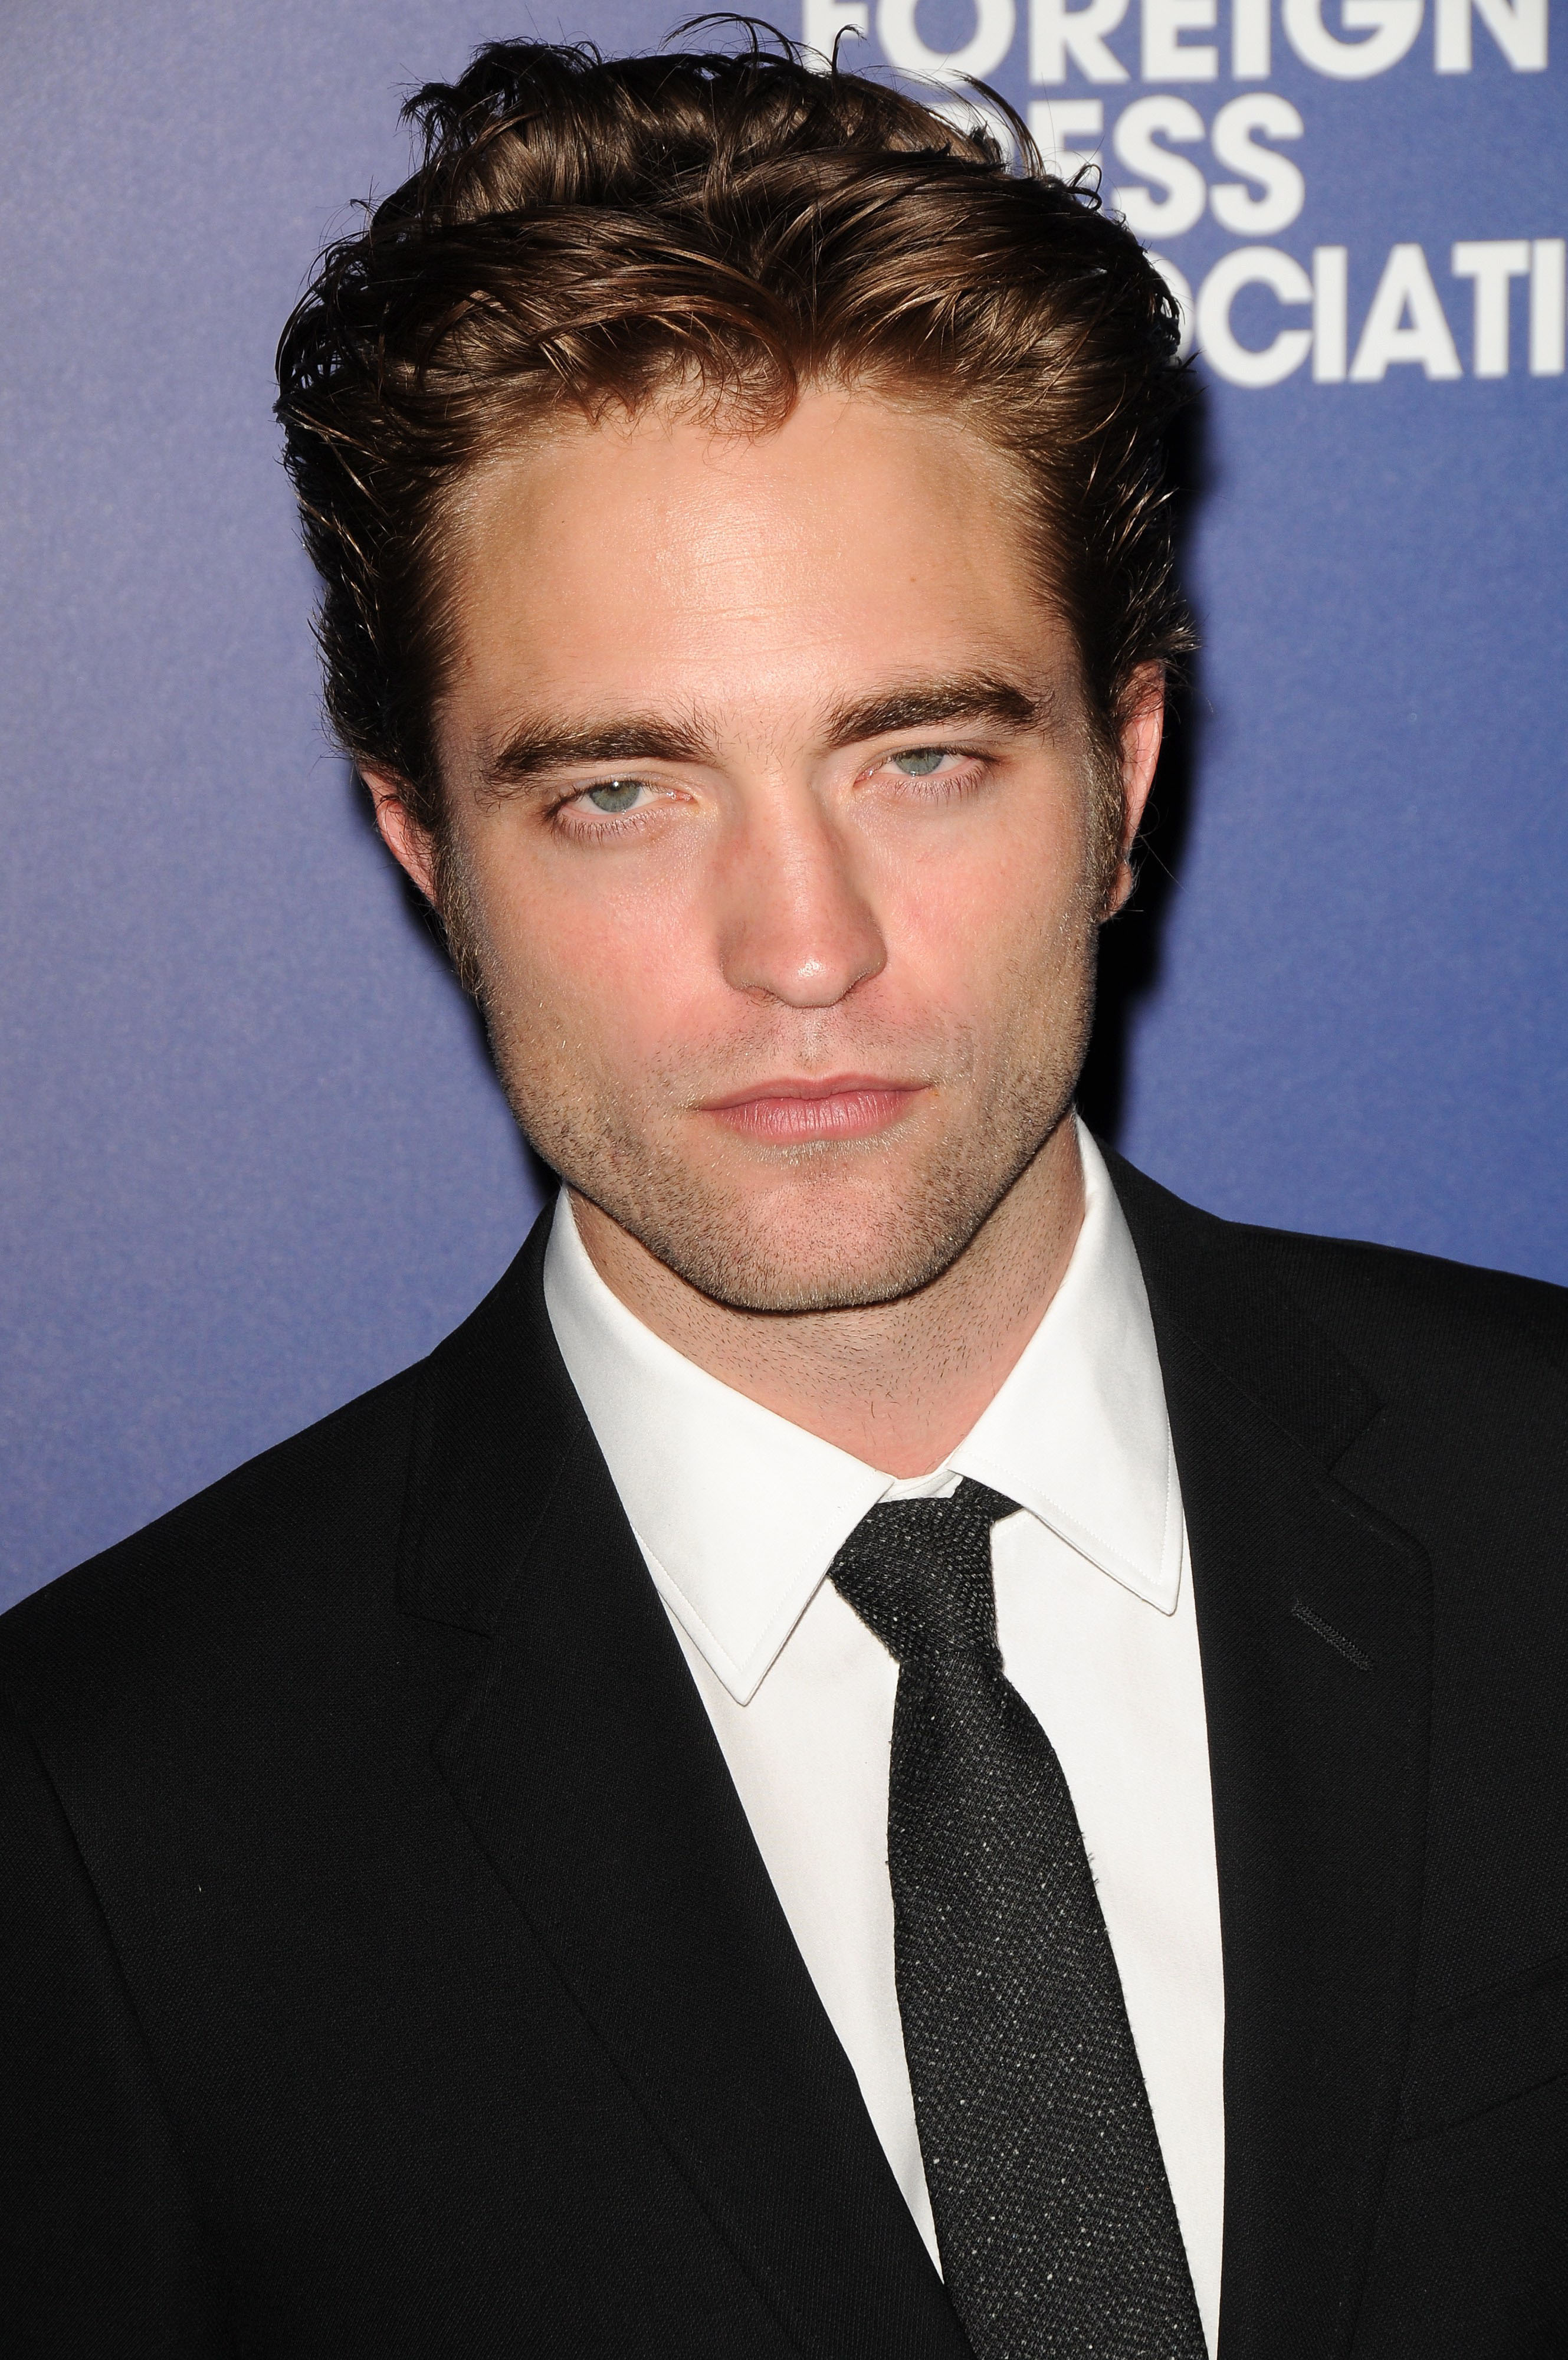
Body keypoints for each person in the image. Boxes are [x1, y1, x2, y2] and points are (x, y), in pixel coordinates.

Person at [2, 30, 1564, 2358]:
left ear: (1121, 774)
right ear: (424, 846)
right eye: (618, 795)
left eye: (918, 758)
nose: (802, 947)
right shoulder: (105, 1819)